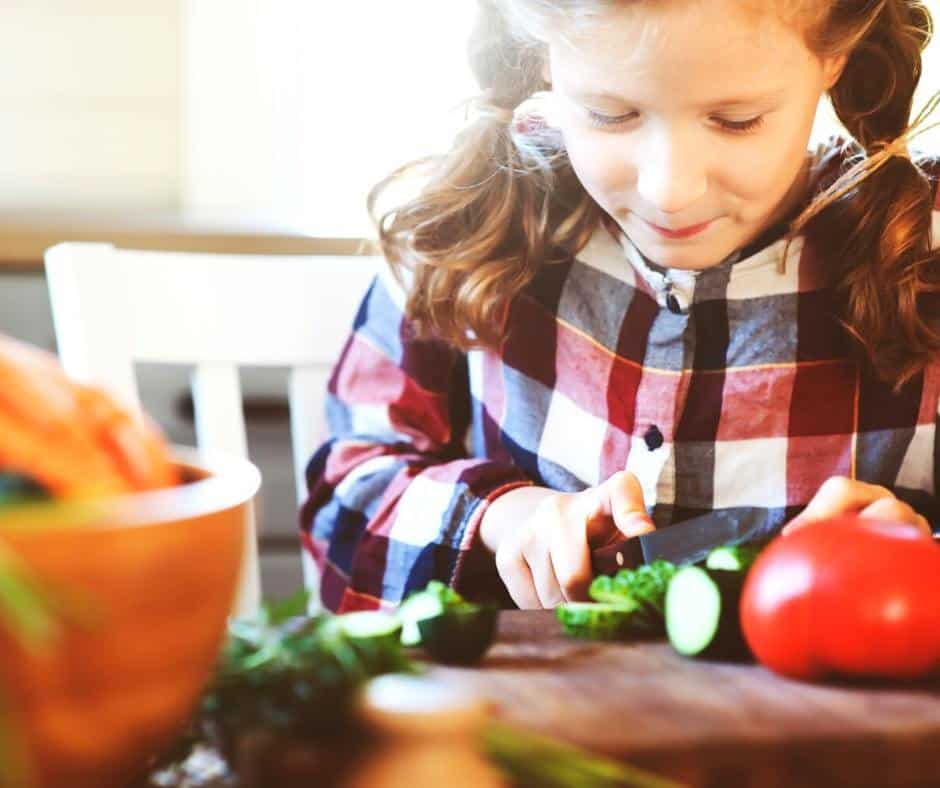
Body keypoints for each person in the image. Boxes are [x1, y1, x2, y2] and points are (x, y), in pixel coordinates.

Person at [300, 0, 940, 612]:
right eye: (611, 114)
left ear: (837, 56)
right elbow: (351, 491)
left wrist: (916, 562)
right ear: (544, 56)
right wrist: (500, 518)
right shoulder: (464, 228)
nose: (670, 192)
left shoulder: (923, 253)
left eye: (736, 120)